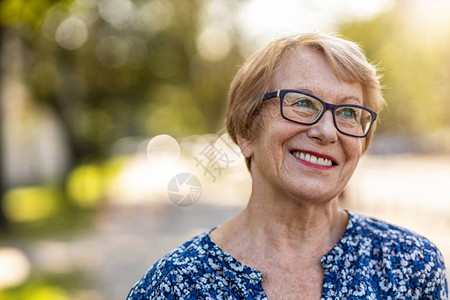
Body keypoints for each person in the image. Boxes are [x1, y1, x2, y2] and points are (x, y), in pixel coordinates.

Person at [127, 33, 448, 299]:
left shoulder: (412, 265)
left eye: (349, 113)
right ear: (245, 131)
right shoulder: (174, 286)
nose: (326, 131)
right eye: (303, 103)